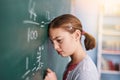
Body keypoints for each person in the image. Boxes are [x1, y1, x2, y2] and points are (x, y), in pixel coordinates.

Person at [44, 14, 99, 80]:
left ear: (76, 35)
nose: (55, 47)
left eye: (59, 40)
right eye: (52, 42)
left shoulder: (86, 73)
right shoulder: (73, 63)